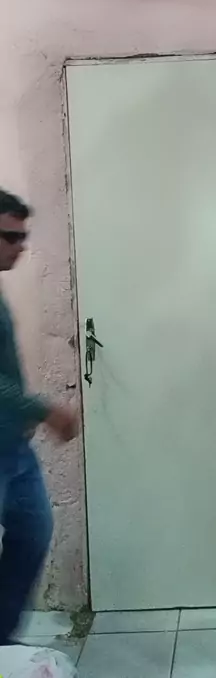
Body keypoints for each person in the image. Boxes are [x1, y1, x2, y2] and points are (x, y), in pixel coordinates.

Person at [0, 189, 78, 646]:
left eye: (23, 236)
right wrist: (43, 409)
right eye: (11, 236)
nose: (20, 246)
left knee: (32, 531)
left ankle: (2, 642)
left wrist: (20, 414)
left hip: (12, 445)